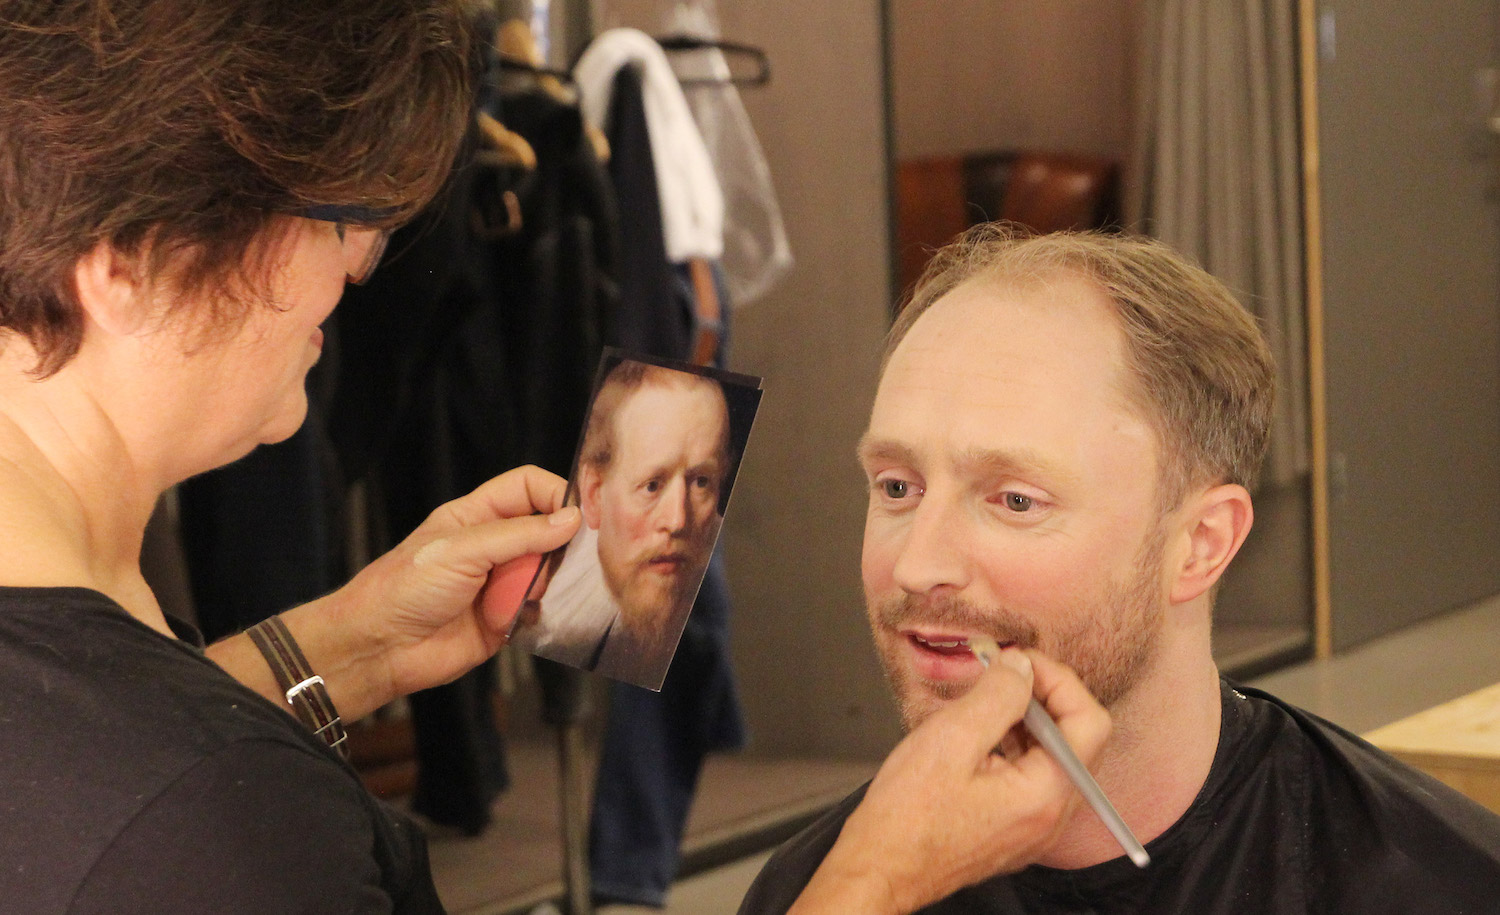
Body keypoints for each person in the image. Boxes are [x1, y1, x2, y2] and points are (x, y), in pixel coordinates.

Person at [0, 4, 1109, 913]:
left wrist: (346, 645)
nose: (357, 270)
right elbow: (147, 798)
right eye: (339, 219)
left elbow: (99, 768)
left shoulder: (119, 707)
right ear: (136, 261)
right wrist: (874, 881)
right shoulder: (220, 825)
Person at [739, 223, 1500, 914]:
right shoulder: (815, 888)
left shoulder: (1436, 884)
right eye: (897, 488)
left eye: (1015, 499)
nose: (917, 565)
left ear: (1200, 543)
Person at [512, 360, 731, 687]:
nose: (677, 520)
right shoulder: (549, 622)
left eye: (701, 482)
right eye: (652, 486)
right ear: (594, 493)